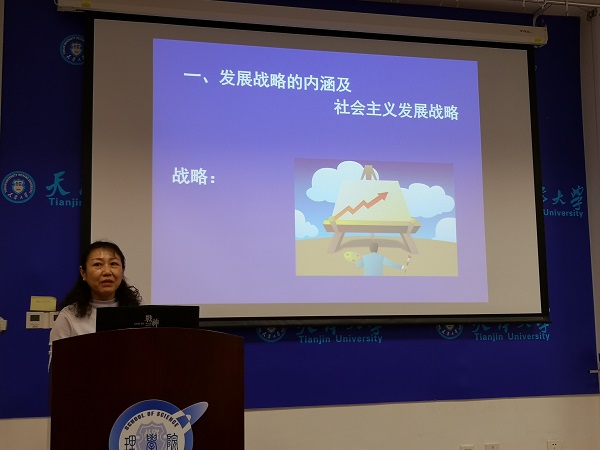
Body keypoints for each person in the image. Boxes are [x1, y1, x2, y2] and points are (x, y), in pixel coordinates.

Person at [48, 240, 142, 366]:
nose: (107, 271)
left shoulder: (137, 314)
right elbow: (57, 367)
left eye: (113, 264)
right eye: (98, 264)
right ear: (83, 273)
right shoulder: (68, 316)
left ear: (123, 271)